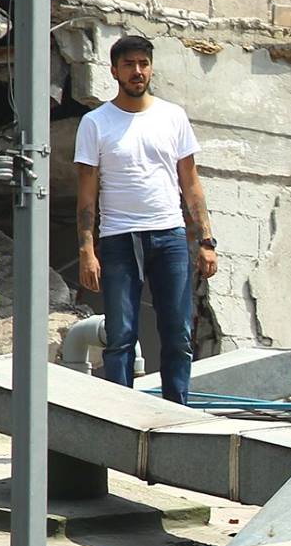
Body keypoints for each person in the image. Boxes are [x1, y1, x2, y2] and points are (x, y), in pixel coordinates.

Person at [74, 34, 215, 403]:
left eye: (143, 63)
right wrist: (87, 249)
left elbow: (191, 184)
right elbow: (87, 194)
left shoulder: (173, 116)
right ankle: (122, 416)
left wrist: (206, 240)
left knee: (178, 334)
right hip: (119, 239)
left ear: (151, 68)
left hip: (170, 236)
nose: (137, 71)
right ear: (114, 71)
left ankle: (176, 412)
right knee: (120, 336)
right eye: (128, 65)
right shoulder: (95, 123)